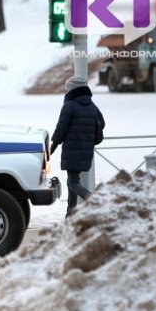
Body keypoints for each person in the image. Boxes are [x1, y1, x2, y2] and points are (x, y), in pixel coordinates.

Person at [50, 75, 105, 218]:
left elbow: (61, 128)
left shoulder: (69, 106)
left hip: (72, 150)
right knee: (72, 181)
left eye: (67, 89)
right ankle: (70, 214)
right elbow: (102, 123)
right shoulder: (91, 105)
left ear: (72, 90)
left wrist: (53, 145)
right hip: (86, 149)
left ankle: (91, 199)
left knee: (73, 182)